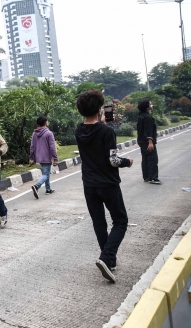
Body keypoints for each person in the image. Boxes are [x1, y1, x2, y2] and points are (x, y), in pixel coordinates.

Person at [75, 89, 133, 283]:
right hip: (108, 183)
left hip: (89, 185)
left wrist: (103, 125)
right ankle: (106, 258)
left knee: (99, 222)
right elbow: (113, 160)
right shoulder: (107, 131)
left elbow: (94, 137)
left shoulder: (79, 130)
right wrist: (128, 161)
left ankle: (110, 260)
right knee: (120, 221)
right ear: (100, 108)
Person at [29, 116, 58, 199]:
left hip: (39, 157)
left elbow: (32, 146)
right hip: (46, 157)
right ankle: (36, 186)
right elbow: (52, 147)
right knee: (46, 174)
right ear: (45, 122)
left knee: (46, 172)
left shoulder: (34, 133)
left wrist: (31, 157)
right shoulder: (49, 133)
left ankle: (48, 189)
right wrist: (55, 158)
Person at [137, 99, 160, 184]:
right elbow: (148, 130)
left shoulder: (140, 116)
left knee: (145, 159)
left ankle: (146, 176)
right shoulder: (147, 117)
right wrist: (150, 142)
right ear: (147, 107)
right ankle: (153, 177)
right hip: (147, 142)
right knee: (152, 159)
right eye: (150, 104)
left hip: (141, 141)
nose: (152, 105)